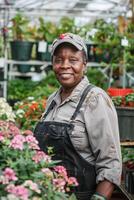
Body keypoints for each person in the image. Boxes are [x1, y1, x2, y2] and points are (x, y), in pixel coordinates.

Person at [34, 33, 122, 200]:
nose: (64, 65)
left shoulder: (95, 99)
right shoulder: (52, 100)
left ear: (84, 64)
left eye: (73, 60)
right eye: (58, 59)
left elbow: (110, 164)